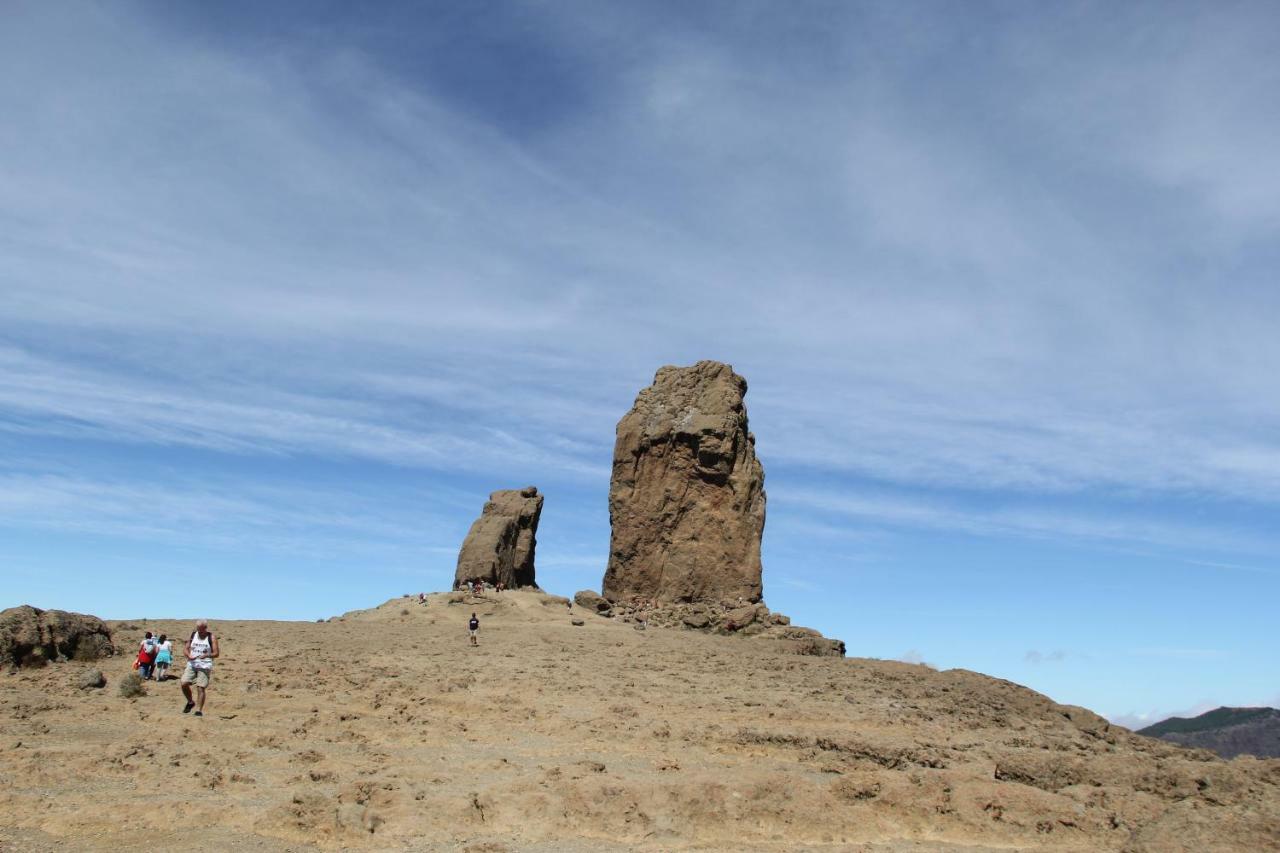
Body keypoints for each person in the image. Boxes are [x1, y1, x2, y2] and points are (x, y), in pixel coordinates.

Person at [180, 620, 220, 717]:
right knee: (183, 682)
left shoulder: (212, 637)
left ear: (206, 628)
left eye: (202, 630)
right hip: (192, 663)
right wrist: (189, 655)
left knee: (200, 687)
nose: (200, 631)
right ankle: (190, 702)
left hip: (205, 665)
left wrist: (207, 655)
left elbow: (216, 653)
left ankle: (199, 710)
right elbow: (186, 649)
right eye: (198, 629)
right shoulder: (193, 635)